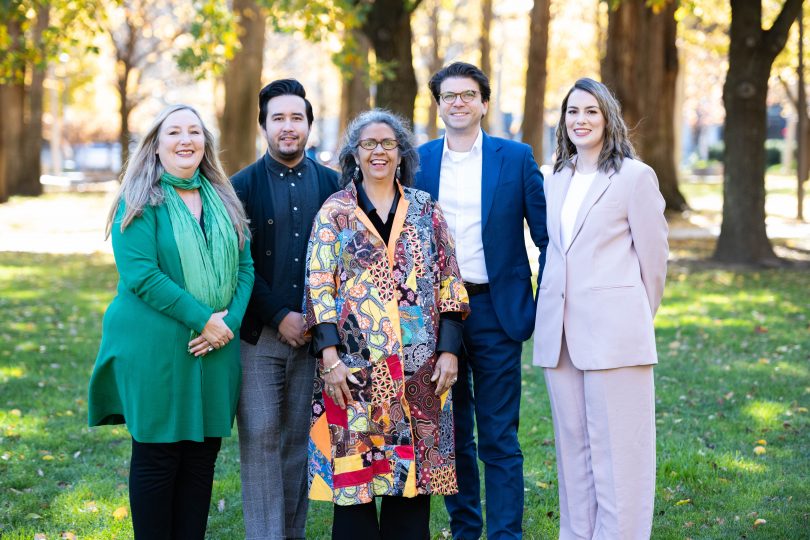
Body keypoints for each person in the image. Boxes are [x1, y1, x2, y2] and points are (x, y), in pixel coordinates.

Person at [88, 104, 254, 539]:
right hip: (156, 346)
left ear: (205, 143)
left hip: (216, 347)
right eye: (174, 132)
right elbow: (141, 275)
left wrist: (227, 323)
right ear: (156, 146)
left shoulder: (223, 198)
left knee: (201, 459)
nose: (186, 140)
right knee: (159, 458)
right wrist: (204, 320)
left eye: (194, 132)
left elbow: (246, 267)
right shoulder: (140, 198)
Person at [303, 109, 470, 540]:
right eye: (368, 144)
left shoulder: (424, 209)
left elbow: (449, 280)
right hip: (352, 376)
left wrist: (449, 351)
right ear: (353, 155)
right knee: (354, 495)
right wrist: (329, 358)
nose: (378, 152)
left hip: (420, 373)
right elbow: (318, 286)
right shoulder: (335, 212)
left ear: (402, 154)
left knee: (411, 493)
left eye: (388, 144)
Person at [414, 62, 549, 539]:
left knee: (499, 436)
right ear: (438, 105)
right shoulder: (419, 161)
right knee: (452, 434)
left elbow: (546, 236)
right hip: (433, 318)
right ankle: (465, 531)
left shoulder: (516, 158)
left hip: (495, 309)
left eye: (468, 95)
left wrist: (539, 299)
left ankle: (505, 535)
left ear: (483, 103)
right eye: (449, 96)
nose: (458, 103)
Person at [533, 77, 668, 539]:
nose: (581, 120)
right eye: (573, 111)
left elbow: (654, 262)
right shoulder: (556, 178)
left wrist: (630, 320)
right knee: (574, 453)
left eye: (591, 111)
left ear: (608, 117)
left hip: (615, 337)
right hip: (560, 335)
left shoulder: (634, 177)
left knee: (619, 457)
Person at [231, 78, 340, 540]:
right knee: (260, 440)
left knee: (299, 443)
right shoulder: (240, 187)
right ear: (264, 126)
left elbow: (341, 262)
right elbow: (236, 266)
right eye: (278, 118)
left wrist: (313, 318)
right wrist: (280, 315)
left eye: (297, 117)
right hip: (259, 338)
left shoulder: (335, 187)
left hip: (315, 340)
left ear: (310, 126)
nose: (288, 127)